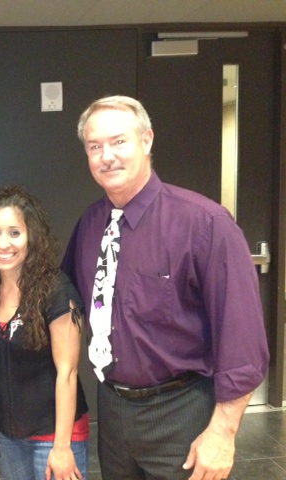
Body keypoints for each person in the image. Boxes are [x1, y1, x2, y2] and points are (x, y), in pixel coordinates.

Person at [61, 95, 269, 480]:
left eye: (118, 141)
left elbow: (243, 340)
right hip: (114, 409)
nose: (106, 156)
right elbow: (64, 300)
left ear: (147, 140)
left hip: (182, 411)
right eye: (95, 146)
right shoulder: (91, 226)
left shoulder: (205, 224)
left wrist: (222, 433)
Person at [0, 185, 90, 480]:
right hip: (4, 431)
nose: (3, 243)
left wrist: (62, 447)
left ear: (32, 235)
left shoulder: (56, 290)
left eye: (14, 233)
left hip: (54, 433)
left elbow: (67, 373)